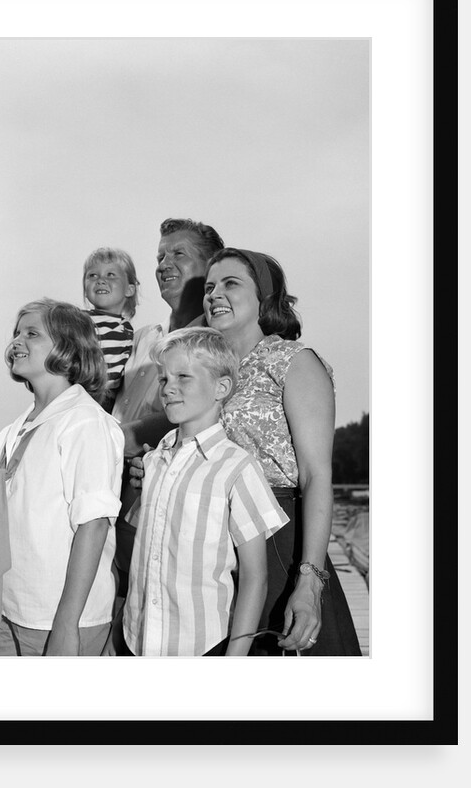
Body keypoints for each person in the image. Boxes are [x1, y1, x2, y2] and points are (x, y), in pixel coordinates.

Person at [203, 247, 362, 655]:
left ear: (265, 297)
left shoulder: (293, 360)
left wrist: (309, 578)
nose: (214, 294)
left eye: (230, 283)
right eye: (209, 287)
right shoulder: (205, 374)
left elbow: (316, 475)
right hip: (214, 544)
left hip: (279, 542)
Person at [0, 298, 125, 657]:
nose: (17, 341)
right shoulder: (11, 432)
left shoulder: (84, 421)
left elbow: (94, 525)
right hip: (7, 615)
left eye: (32, 334)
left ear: (67, 347)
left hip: (63, 621)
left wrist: (67, 625)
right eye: (16, 333)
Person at [122, 327, 289, 656]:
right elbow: (144, 554)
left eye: (183, 377)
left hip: (203, 644)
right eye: (163, 379)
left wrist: (235, 657)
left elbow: (255, 577)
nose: (168, 388)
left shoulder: (237, 468)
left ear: (221, 387)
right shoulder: (153, 462)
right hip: (138, 640)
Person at [107, 218, 226, 635]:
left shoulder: (215, 340)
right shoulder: (144, 338)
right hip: (111, 495)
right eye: (160, 256)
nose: (163, 264)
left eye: (178, 254)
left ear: (210, 267)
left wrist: (115, 439)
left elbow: (200, 412)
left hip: (160, 504)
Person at [82, 247, 139, 413]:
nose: (100, 280)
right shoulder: (81, 321)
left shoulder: (128, 330)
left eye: (110, 275)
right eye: (93, 275)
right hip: (85, 393)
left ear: (129, 289)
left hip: (113, 402)